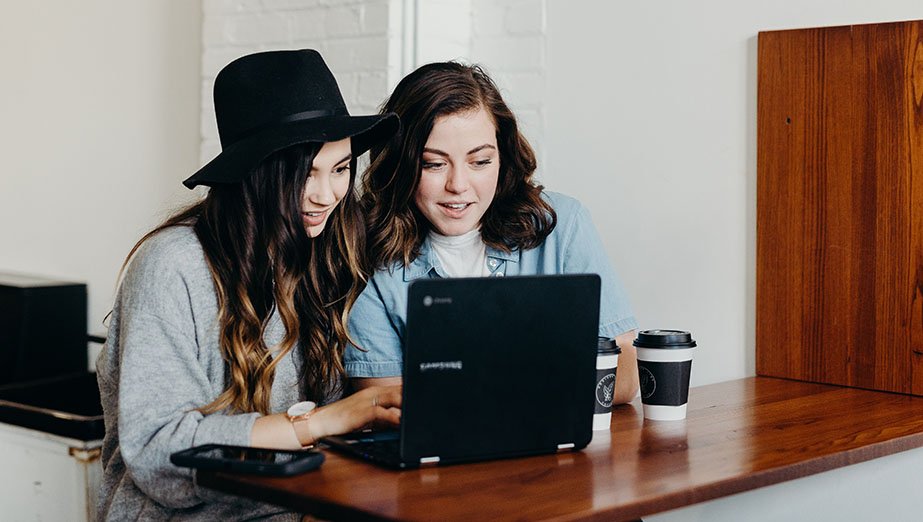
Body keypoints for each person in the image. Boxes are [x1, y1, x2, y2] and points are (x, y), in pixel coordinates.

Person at [95, 50, 401, 521]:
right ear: (256, 172)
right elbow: (159, 453)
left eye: (340, 169)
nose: (326, 195)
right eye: (304, 174)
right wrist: (319, 422)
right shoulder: (172, 266)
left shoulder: (325, 253)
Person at [345, 62, 640, 403]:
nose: (458, 185)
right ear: (401, 165)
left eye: (480, 161)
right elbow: (383, 404)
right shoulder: (367, 253)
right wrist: (543, 374)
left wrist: (473, 388)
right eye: (433, 164)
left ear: (503, 157)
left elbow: (624, 376)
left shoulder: (562, 224)